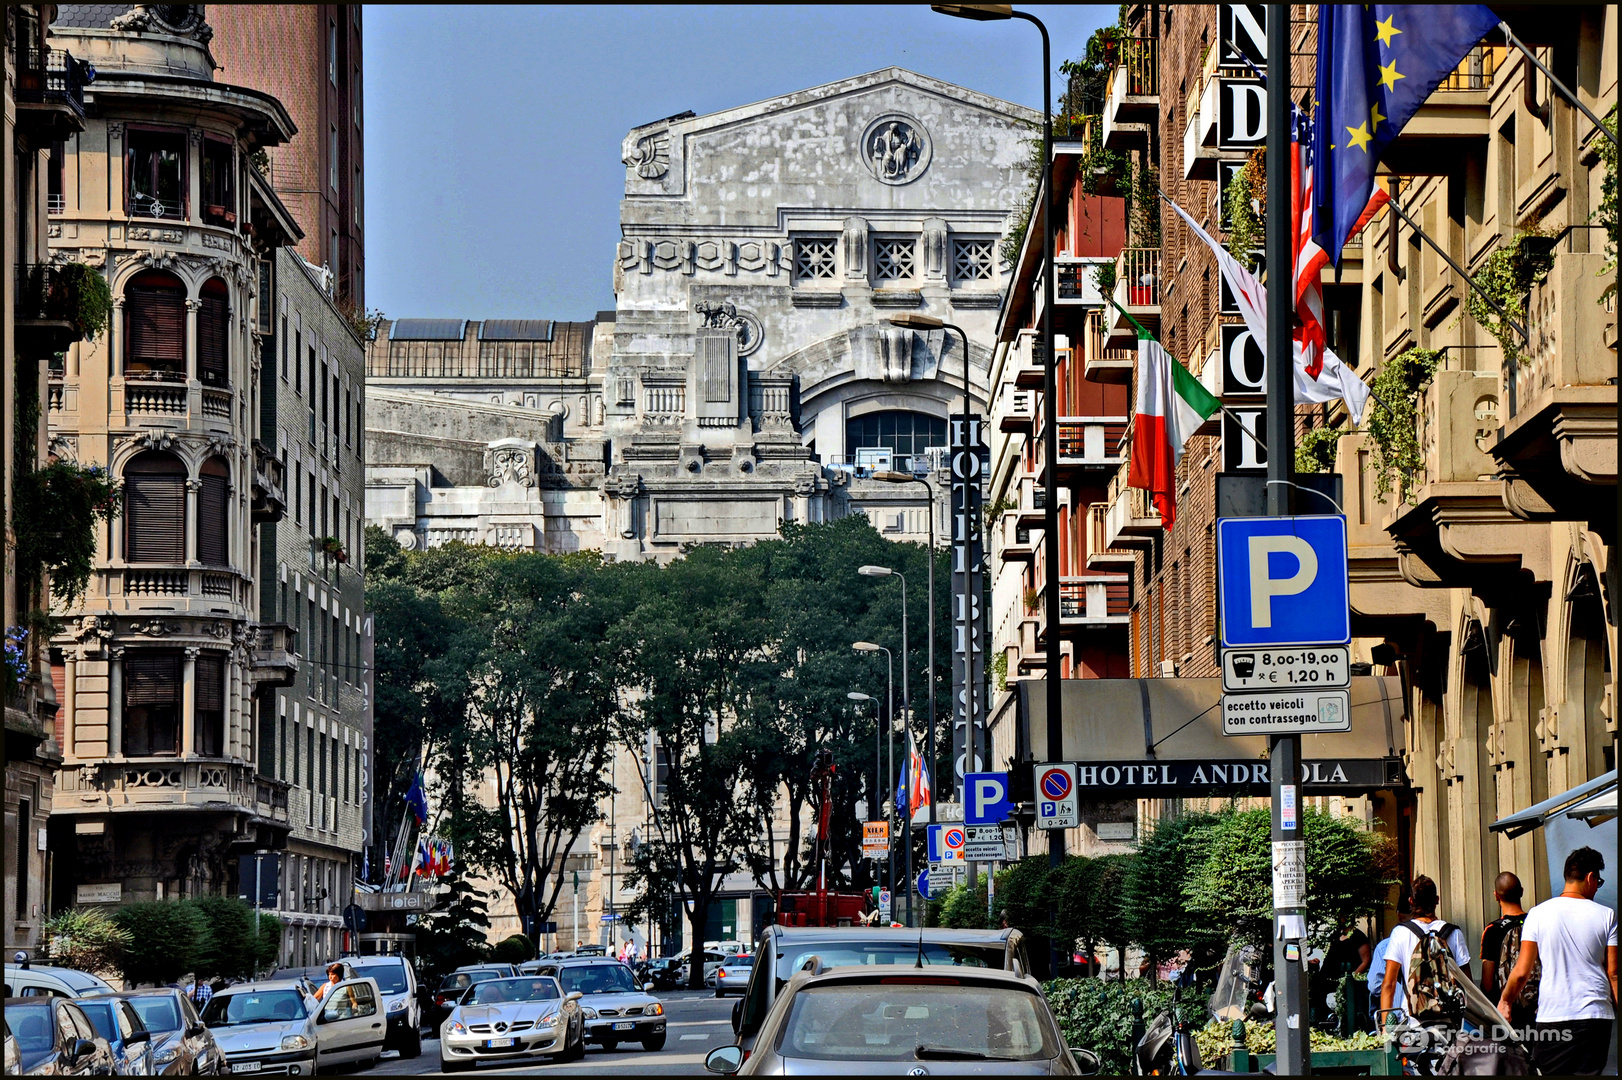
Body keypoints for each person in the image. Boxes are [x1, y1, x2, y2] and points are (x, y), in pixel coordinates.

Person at [1498, 846, 1619, 1075]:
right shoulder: (1607, 915)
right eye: (1598, 881)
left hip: (1554, 1016)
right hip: (1595, 1017)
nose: (1596, 888)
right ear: (1590, 877)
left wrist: (1505, 1001)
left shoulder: (1537, 914)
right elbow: (1613, 973)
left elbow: (1522, 971)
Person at [1379, 876, 1471, 1023]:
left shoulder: (1400, 933)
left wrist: (1384, 1026)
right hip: (1450, 1021)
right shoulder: (1454, 933)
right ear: (1437, 900)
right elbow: (1467, 984)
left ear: (1411, 901)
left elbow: (1389, 983)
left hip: (1413, 1021)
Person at [1479, 871, 1536, 1031]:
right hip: (1539, 1010)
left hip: (1507, 1015)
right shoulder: (1536, 922)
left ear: (1496, 896)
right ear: (1522, 892)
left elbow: (1488, 984)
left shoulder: (1492, 931)